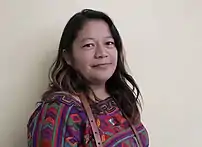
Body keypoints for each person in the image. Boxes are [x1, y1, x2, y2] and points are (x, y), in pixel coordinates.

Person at [27, 9, 149, 147]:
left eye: (109, 43)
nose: (102, 53)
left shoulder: (120, 97)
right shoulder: (59, 111)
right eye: (89, 45)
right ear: (68, 57)